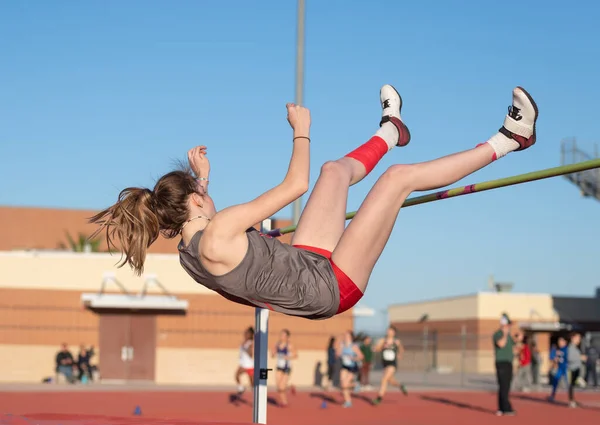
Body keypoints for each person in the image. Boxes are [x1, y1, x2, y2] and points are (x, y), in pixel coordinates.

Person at [90, 84, 539, 321]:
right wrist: (299, 128)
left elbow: (216, 235)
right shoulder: (219, 229)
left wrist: (202, 183)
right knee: (396, 181)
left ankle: (391, 130)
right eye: (201, 191)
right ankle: (510, 139)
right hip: (329, 286)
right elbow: (294, 184)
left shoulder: (191, 253)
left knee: (334, 170)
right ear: (195, 200)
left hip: (308, 263)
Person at [372, 326, 408, 405]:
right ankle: (401, 386)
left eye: (390, 331)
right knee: (391, 381)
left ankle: (379, 398)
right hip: (385, 363)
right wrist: (375, 348)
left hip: (392, 364)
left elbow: (401, 349)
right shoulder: (383, 340)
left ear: (394, 333)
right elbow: (378, 348)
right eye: (387, 331)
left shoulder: (396, 341)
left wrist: (400, 354)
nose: (388, 332)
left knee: (384, 379)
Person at [493, 313, 516, 416]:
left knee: (506, 386)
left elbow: (513, 347)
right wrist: (505, 334)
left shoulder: (509, 336)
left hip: (509, 362)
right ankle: (505, 407)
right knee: (503, 385)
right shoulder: (498, 334)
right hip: (501, 362)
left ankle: (502, 407)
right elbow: (501, 344)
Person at [337, 330, 363, 408]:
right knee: (342, 384)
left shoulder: (354, 346)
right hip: (344, 366)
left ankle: (356, 384)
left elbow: (361, 356)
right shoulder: (342, 345)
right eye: (344, 335)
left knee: (345, 384)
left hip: (352, 367)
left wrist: (353, 358)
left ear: (351, 337)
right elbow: (338, 354)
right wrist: (339, 347)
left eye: (347, 335)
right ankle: (348, 401)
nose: (345, 337)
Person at [271, 329, 297, 407]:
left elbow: (296, 355)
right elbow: (273, 354)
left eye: (283, 335)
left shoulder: (289, 345)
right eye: (281, 335)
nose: (281, 337)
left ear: (287, 337)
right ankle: (285, 400)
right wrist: (273, 353)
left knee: (282, 386)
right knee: (278, 386)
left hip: (286, 367)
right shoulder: (277, 344)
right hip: (279, 367)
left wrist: (288, 357)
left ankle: (285, 400)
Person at [567, 332, 585, 408]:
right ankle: (571, 401)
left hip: (577, 368)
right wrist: (580, 358)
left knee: (573, 385)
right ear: (573, 338)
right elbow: (569, 358)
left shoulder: (575, 347)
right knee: (571, 385)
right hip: (572, 369)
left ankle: (573, 400)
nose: (579, 340)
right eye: (578, 338)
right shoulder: (570, 348)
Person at [548, 336, 569, 402]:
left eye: (561, 341)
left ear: (565, 342)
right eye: (559, 341)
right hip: (560, 368)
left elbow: (569, 358)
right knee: (555, 380)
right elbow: (551, 357)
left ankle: (571, 397)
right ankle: (552, 395)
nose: (559, 343)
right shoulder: (557, 349)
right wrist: (555, 358)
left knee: (568, 382)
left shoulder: (567, 349)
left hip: (566, 368)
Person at [235, 327, 254, 394]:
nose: (245, 334)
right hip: (243, 364)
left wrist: (246, 349)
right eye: (245, 333)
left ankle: (255, 391)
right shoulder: (243, 342)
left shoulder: (250, 343)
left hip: (249, 365)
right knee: (236, 375)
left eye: (247, 333)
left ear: (251, 335)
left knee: (251, 382)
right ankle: (241, 388)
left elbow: (251, 354)